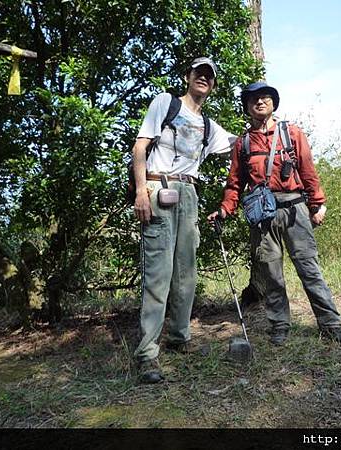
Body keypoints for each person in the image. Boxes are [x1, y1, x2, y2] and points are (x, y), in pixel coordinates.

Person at [207, 82, 341, 347]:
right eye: (253, 99)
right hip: (262, 215)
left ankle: (331, 324)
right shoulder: (243, 143)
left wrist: (317, 204)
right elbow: (235, 184)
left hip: (295, 208)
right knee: (271, 273)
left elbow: (308, 170)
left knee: (309, 268)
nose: (259, 102)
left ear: (274, 103)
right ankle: (279, 325)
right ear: (247, 107)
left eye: (265, 98)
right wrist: (225, 208)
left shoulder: (292, 133)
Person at [132, 57, 234, 383]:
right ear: (188, 77)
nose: (203, 78)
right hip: (157, 187)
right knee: (158, 276)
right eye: (198, 73)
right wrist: (139, 192)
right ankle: (147, 355)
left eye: (209, 76)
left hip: (189, 194)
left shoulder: (209, 126)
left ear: (213, 85)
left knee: (186, 274)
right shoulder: (166, 103)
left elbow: (240, 144)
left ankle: (179, 337)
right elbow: (140, 148)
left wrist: (270, 130)